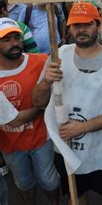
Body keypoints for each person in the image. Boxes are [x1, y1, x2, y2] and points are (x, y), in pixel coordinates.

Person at [32, 2, 102, 204]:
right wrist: (45, 82)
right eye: (76, 25)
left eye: (87, 24)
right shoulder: (57, 57)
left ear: (97, 24)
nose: (82, 30)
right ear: (69, 29)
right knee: (75, 194)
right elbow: (37, 101)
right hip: (66, 146)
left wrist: (82, 127)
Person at [0, 18, 60, 204]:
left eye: (17, 37)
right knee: (24, 183)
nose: (15, 43)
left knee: (49, 182)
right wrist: (41, 106)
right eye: (6, 40)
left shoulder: (41, 62)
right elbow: (14, 121)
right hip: (10, 144)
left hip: (41, 138)